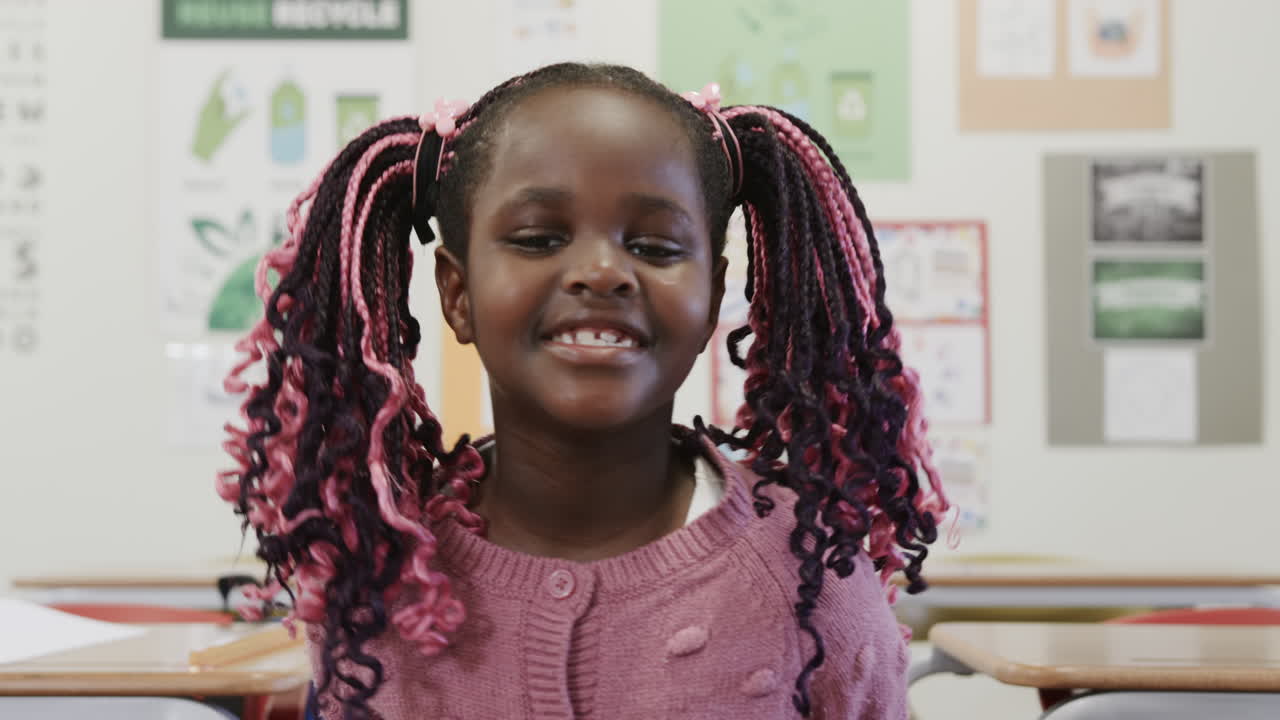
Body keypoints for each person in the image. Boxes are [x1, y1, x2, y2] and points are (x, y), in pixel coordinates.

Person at [218, 62, 948, 719]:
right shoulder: (378, 583)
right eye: (538, 239)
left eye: (656, 247)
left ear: (713, 295)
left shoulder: (813, 581)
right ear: (457, 293)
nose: (601, 272)